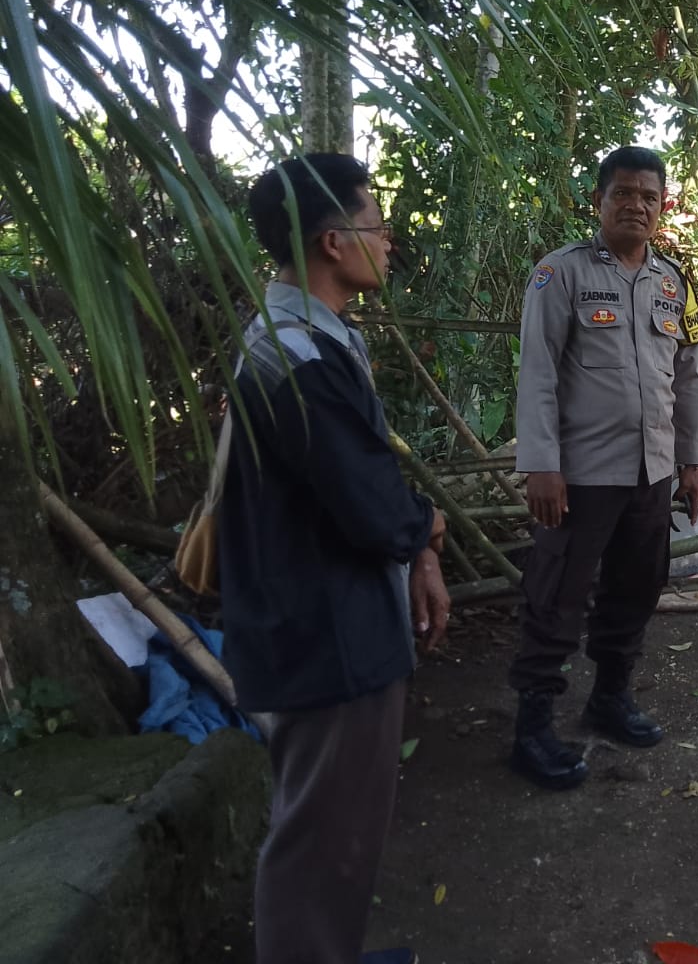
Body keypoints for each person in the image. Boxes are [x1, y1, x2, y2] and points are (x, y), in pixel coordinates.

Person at [222, 153, 449, 964]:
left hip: (326, 617)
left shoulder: (308, 337)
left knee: (339, 827)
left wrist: (419, 545)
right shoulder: (299, 358)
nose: (388, 244)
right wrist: (424, 529)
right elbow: (366, 500)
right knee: (319, 839)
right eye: (377, 228)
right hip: (328, 633)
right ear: (331, 240)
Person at [508, 145, 698, 789]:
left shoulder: (674, 284)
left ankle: (609, 697)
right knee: (557, 593)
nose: (636, 206)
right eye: (623, 193)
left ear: (663, 207)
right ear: (598, 201)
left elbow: (689, 376)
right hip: (582, 474)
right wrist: (541, 465)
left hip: (651, 473)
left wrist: (692, 459)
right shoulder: (560, 273)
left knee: (636, 587)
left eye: (649, 196)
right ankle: (533, 725)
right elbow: (537, 372)